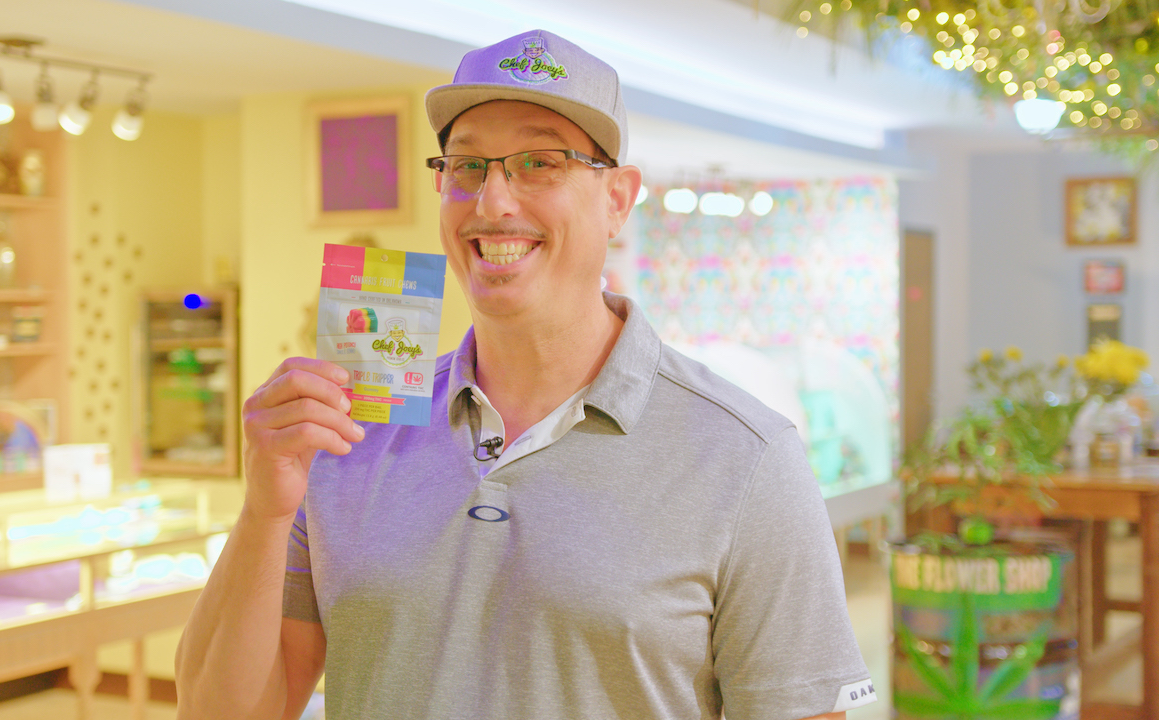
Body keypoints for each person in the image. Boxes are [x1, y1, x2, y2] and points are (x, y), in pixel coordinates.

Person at [176, 29, 876, 720]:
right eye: (467, 166)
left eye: (540, 162)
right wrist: (266, 509)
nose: (492, 202)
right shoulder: (350, 432)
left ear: (617, 199)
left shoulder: (748, 457)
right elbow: (218, 712)